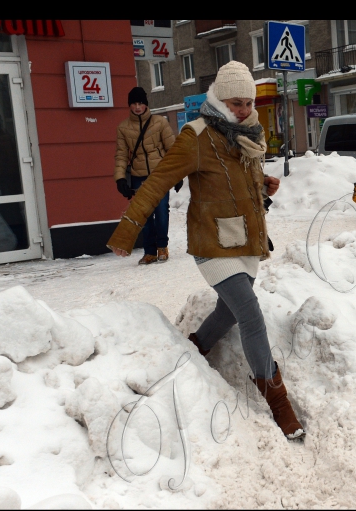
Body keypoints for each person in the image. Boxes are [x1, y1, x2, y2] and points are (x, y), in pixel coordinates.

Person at [106, 62, 304, 441]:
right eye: (236, 102)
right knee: (250, 312)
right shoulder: (195, 136)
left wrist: (263, 186)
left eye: (248, 102)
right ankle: (279, 402)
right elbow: (157, 181)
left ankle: (196, 347)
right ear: (218, 98)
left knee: (228, 310)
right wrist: (127, 230)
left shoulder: (247, 134)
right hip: (211, 244)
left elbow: (235, 181)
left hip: (244, 241)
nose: (244, 109)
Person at [115, 87, 177, 265]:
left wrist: (177, 174)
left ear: (146, 104)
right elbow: (121, 154)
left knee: (162, 211)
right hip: (138, 176)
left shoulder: (159, 123)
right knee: (144, 216)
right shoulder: (123, 128)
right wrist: (120, 178)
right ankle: (149, 252)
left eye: (140, 103)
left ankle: (162, 247)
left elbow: (173, 149)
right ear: (130, 105)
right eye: (134, 103)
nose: (137, 107)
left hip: (160, 175)